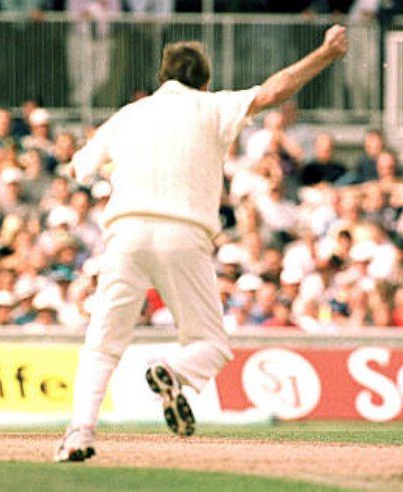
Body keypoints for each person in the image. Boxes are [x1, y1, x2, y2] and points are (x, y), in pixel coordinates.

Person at [54, 25, 349, 462]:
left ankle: (79, 433)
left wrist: (119, 161)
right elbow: (272, 93)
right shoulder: (213, 105)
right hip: (184, 233)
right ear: (205, 80)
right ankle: (173, 370)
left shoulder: (130, 115)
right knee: (211, 345)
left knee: (102, 344)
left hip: (125, 233)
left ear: (162, 78)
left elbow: (79, 168)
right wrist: (325, 54)